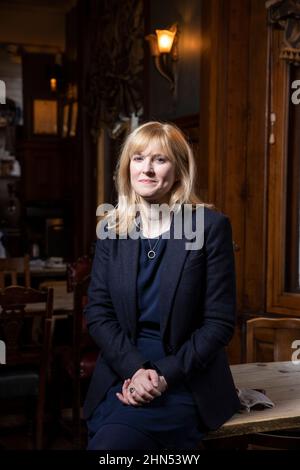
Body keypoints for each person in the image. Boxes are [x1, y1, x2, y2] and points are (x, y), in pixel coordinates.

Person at [84, 121, 241, 450]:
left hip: (185, 376)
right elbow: (98, 313)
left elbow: (219, 323)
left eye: (160, 159)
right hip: (123, 370)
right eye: (138, 158)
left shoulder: (210, 227)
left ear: (180, 169)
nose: (147, 169)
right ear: (127, 166)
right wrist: (137, 370)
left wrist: (162, 375)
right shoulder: (111, 229)